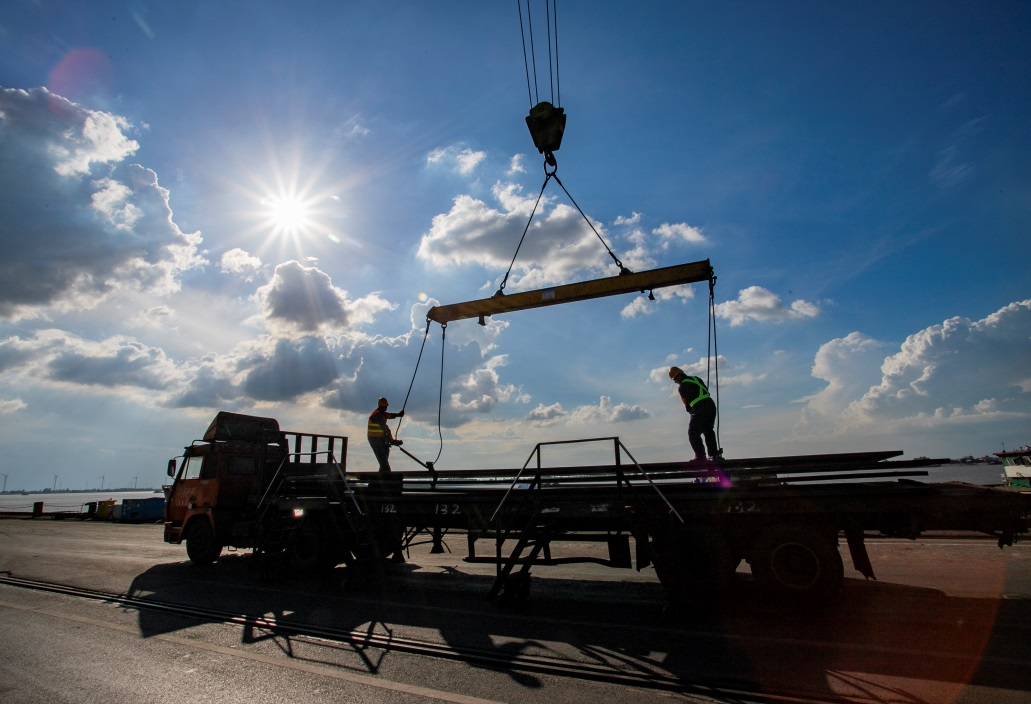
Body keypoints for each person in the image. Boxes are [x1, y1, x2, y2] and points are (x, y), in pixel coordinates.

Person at [668, 367, 721, 462]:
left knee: (692, 433)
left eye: (675, 379)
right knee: (708, 430)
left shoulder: (682, 387)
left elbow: (686, 404)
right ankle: (713, 455)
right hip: (710, 405)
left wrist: (691, 412)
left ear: (678, 376)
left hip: (699, 408)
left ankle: (700, 457)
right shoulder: (697, 379)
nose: (675, 382)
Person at [367, 397, 404, 472]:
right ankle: (387, 475)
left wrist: (398, 415)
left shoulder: (381, 413)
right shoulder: (377, 415)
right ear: (385, 406)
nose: (386, 408)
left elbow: (388, 415)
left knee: (383, 463)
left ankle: (380, 477)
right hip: (375, 440)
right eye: (386, 406)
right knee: (385, 465)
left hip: (381, 440)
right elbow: (385, 430)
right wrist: (392, 441)